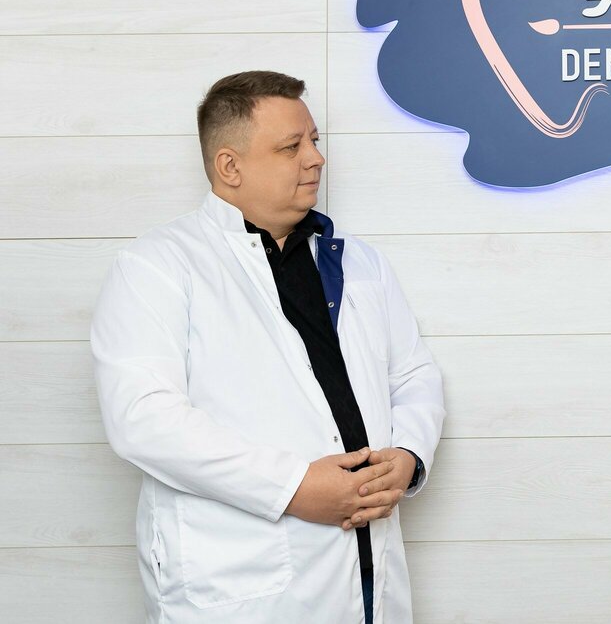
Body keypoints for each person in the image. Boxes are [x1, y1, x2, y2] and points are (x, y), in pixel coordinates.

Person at [91, 71, 446, 623]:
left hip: (367, 568)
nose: (316, 159)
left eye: (314, 141)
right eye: (291, 147)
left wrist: (408, 457)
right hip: (241, 579)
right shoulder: (157, 265)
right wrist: (294, 487)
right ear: (229, 166)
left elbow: (413, 375)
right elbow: (142, 418)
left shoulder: (361, 264)